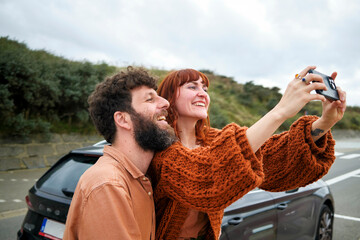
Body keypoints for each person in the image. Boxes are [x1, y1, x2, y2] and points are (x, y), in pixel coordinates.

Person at [147, 66, 346, 239]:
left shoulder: (213, 139)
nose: (203, 93)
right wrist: (280, 110)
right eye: (192, 86)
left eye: (205, 88)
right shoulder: (162, 147)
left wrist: (324, 123)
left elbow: (269, 156)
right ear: (169, 97)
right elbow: (205, 175)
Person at [63, 67, 177, 240]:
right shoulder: (108, 184)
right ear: (123, 119)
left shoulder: (142, 179)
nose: (165, 103)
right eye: (149, 99)